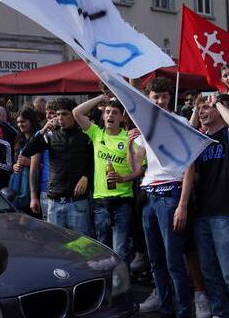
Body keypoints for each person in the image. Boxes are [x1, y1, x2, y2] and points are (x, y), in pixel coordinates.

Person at [128, 77, 198, 318]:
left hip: (171, 194)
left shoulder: (179, 122)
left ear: (170, 97)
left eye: (164, 96)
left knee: (174, 261)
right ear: (149, 98)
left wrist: (183, 205)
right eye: (155, 97)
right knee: (156, 260)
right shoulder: (144, 125)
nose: (160, 100)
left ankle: (184, 312)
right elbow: (136, 169)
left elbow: (190, 167)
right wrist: (129, 145)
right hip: (148, 195)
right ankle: (167, 310)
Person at [189, 94, 229, 318]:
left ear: (218, 110)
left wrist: (215, 102)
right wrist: (197, 110)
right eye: (200, 109)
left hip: (225, 213)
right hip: (201, 214)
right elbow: (187, 133)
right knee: (210, 273)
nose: (203, 111)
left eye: (207, 108)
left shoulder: (228, 135)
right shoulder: (199, 140)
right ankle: (219, 313)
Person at [73, 95, 139, 262]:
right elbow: (77, 112)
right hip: (100, 201)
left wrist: (124, 178)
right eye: (108, 112)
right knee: (103, 248)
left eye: (115, 113)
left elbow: (139, 169)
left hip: (122, 201)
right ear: (103, 116)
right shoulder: (97, 133)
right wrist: (100, 98)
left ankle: (121, 286)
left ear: (122, 117)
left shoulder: (129, 138)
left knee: (121, 249)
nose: (110, 115)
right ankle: (107, 285)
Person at [21, 98, 94, 235]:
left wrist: (86, 176)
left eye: (65, 114)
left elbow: (93, 162)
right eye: (58, 114)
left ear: (73, 115)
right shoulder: (50, 134)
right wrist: (42, 130)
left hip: (77, 202)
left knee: (80, 247)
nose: (60, 117)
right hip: (54, 201)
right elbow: (27, 151)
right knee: (56, 247)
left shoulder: (85, 136)